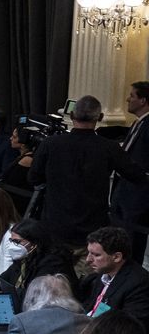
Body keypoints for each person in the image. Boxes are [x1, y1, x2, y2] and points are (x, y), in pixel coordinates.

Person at [30, 95, 148, 246]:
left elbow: (33, 177)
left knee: (53, 268)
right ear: (100, 117)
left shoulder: (50, 144)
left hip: (55, 223)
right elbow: (136, 175)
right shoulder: (109, 148)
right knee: (89, 268)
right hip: (92, 228)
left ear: (72, 115)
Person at [78, 226, 149, 321]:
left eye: (96, 255)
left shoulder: (139, 284)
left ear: (116, 257)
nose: (88, 260)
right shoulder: (103, 272)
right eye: (89, 253)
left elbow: (130, 328)